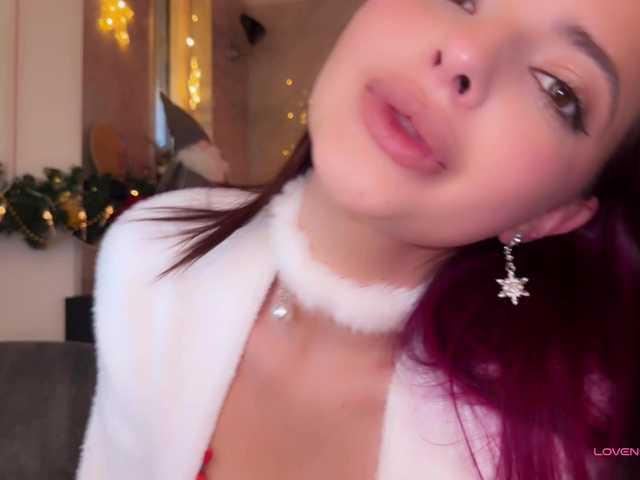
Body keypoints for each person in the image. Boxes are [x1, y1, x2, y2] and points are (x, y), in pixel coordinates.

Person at [76, 0, 640, 479]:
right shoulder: (149, 256)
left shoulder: (566, 446)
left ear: (555, 216)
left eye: (558, 89)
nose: (464, 55)